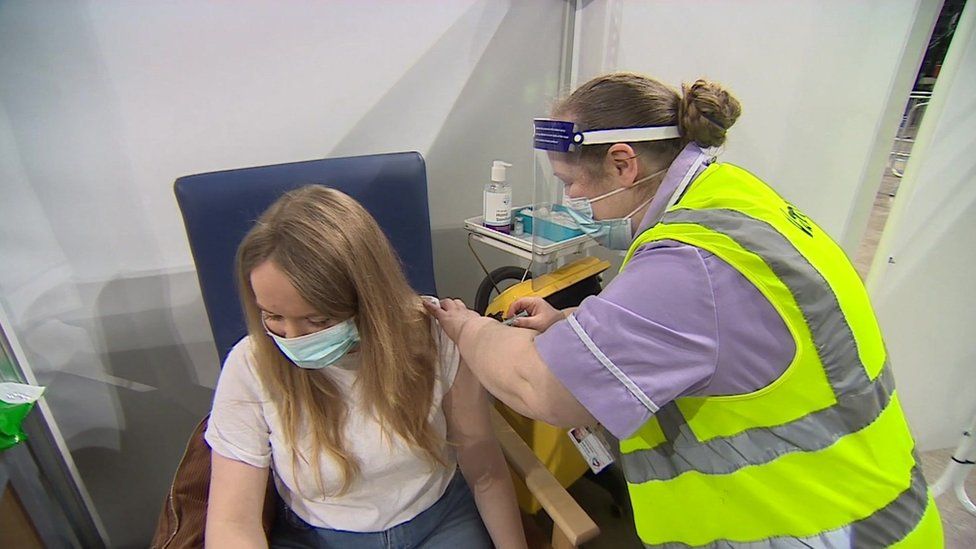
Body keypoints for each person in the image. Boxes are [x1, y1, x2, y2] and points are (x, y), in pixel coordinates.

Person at [426, 73, 944, 547]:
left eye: (570, 183)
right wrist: (570, 324)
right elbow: (716, 333)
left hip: (813, 528)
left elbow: (540, 389)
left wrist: (468, 328)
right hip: (876, 502)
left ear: (623, 163)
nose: (572, 199)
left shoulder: (690, 264)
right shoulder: (731, 197)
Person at [204, 186, 526, 548]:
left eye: (318, 319)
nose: (293, 338)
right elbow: (232, 522)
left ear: (368, 301)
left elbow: (484, 469)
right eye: (273, 316)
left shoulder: (435, 337)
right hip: (318, 536)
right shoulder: (251, 366)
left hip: (439, 520)